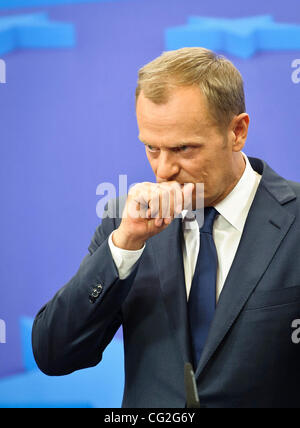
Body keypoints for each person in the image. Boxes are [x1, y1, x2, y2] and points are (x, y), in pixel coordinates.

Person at [32, 47, 300, 408]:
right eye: (151, 148)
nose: (163, 170)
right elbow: (54, 354)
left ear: (237, 131)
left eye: (183, 148)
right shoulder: (124, 222)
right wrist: (124, 246)